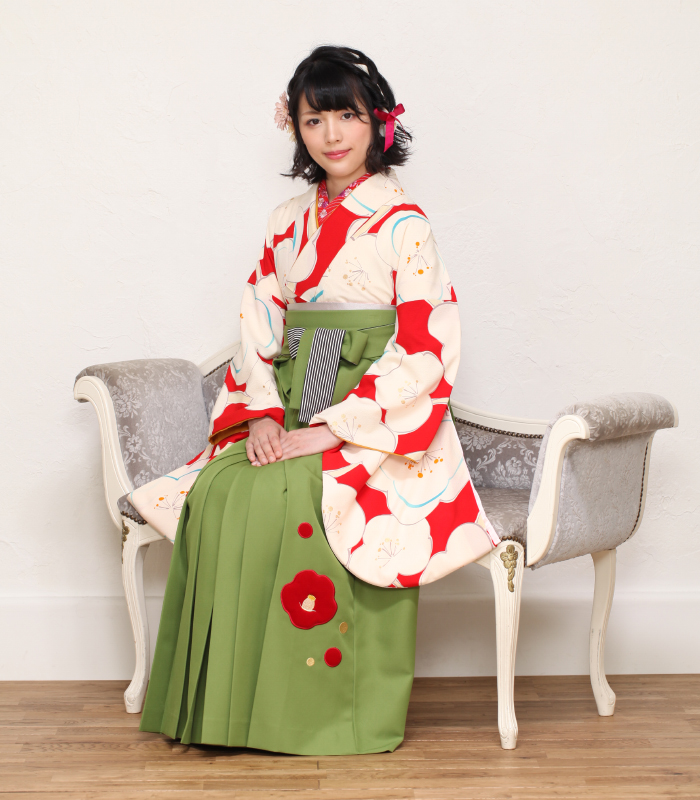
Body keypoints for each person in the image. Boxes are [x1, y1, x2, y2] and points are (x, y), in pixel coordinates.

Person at [131, 45, 499, 756]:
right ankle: (228, 709)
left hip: (375, 417)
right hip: (292, 397)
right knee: (224, 488)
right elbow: (259, 326)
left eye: (347, 116)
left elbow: (425, 345)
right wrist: (264, 416)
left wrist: (336, 430)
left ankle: (324, 715)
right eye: (314, 119)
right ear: (296, 128)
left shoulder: (404, 223)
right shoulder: (285, 221)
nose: (332, 134)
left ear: (377, 122)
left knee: (304, 492)